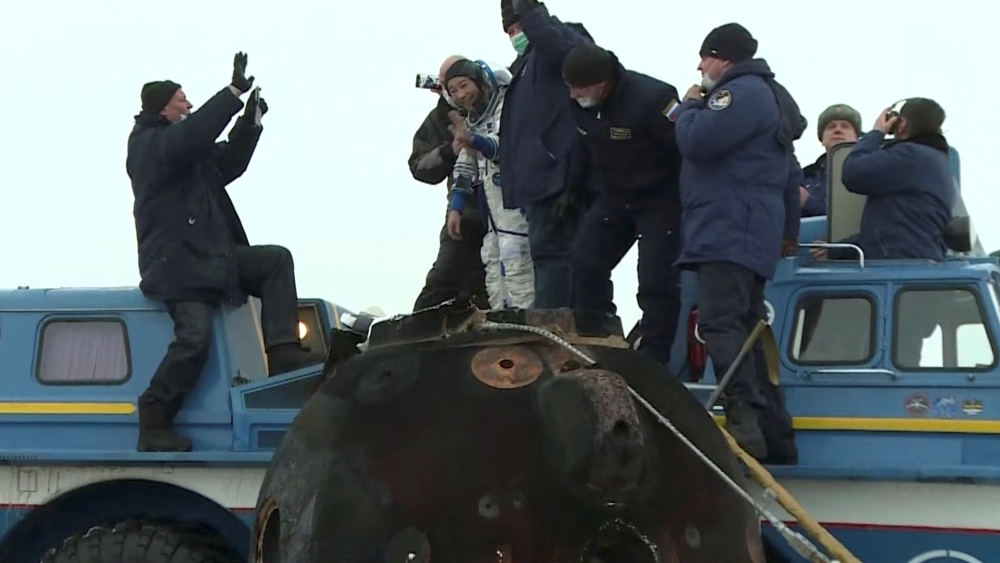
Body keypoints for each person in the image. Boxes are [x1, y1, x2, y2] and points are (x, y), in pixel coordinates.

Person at [126, 53, 312, 452]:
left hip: (210, 258)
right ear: (162, 107)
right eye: (182, 100)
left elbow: (227, 162)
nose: (189, 105)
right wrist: (230, 94)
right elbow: (193, 135)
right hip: (179, 266)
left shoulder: (186, 155)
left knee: (275, 260)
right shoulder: (149, 146)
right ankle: (154, 420)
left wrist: (251, 120)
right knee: (193, 340)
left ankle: (283, 354)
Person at [671, 24, 802, 464]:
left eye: (705, 58)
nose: (700, 67)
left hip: (726, 227)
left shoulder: (738, 94)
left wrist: (689, 106)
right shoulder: (773, 100)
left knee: (719, 324)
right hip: (753, 232)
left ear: (722, 59)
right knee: (747, 330)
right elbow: (789, 175)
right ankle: (775, 433)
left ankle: (744, 423)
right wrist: (788, 233)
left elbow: (697, 141)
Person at [561, 44, 683, 367]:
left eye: (580, 89)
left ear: (602, 84)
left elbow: (686, 154)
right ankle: (599, 341)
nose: (574, 95)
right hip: (614, 195)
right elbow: (583, 149)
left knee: (656, 280)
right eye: (569, 88)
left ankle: (654, 360)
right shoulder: (578, 103)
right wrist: (572, 190)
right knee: (585, 262)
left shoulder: (653, 99)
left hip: (661, 198)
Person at [499, 0, 594, 309]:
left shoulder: (562, 39)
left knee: (558, 253)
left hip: (560, 173)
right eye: (509, 30)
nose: (516, 34)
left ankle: (558, 326)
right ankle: (556, 319)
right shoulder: (523, 67)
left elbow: (574, 56)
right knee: (546, 253)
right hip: (536, 182)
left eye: (518, 25)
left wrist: (531, 13)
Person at [812, 98, 955, 261]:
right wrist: (837, 250)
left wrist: (877, 132)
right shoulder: (932, 161)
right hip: (911, 263)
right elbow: (889, 231)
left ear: (901, 125)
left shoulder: (909, 156)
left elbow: (852, 172)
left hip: (900, 267)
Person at [444, 59, 534, 309]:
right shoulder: (472, 119)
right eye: (454, 91)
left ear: (480, 81)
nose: (461, 95)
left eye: (464, 85)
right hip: (493, 211)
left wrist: (473, 140)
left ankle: (525, 316)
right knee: (493, 259)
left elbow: (503, 145)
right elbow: (465, 166)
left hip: (515, 202)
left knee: (516, 255)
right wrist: (456, 208)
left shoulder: (507, 107)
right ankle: (502, 315)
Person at [409, 55, 490, 311]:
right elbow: (418, 166)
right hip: (464, 217)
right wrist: (449, 151)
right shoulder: (439, 119)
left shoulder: (499, 104)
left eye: (462, 85)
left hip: (508, 217)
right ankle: (415, 342)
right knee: (441, 283)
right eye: (449, 87)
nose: (457, 94)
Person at [800, 104, 862, 217]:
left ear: (857, 137)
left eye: (845, 126)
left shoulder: (868, 171)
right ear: (822, 139)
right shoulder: (804, 176)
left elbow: (853, 215)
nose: (838, 130)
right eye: (831, 127)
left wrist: (808, 202)